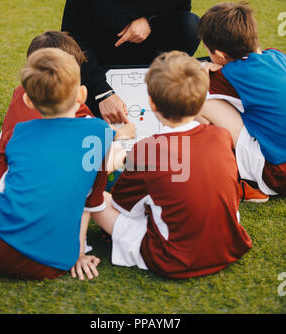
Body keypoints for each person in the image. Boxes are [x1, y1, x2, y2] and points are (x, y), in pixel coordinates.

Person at [90, 51, 252, 279]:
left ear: (152, 103)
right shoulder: (221, 135)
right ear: (201, 101)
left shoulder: (147, 150)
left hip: (176, 258)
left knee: (96, 196)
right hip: (229, 245)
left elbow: (122, 206)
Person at [0, 48, 129, 280]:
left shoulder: (17, 134)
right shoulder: (100, 132)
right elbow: (91, 202)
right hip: (54, 263)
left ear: (28, 100)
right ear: (82, 95)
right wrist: (78, 252)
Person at [196, 2, 286, 201]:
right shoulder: (278, 56)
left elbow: (187, 85)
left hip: (278, 175)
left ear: (219, 55)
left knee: (199, 101)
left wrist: (202, 71)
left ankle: (242, 179)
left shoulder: (228, 75)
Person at [61, 0, 201, 123]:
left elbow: (180, 11)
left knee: (190, 25)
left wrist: (149, 20)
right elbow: (73, 39)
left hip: (152, 58)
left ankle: (167, 87)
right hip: (100, 62)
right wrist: (102, 92)